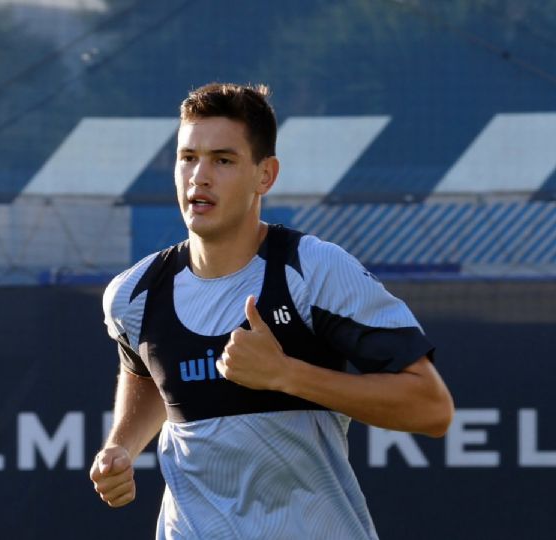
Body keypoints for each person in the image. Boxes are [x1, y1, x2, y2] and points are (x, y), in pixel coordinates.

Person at [89, 83, 454, 539]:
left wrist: (286, 375)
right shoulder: (133, 293)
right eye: (188, 157)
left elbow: (430, 407)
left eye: (223, 160)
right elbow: (144, 372)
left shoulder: (314, 270)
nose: (199, 177)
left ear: (265, 176)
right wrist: (121, 446)